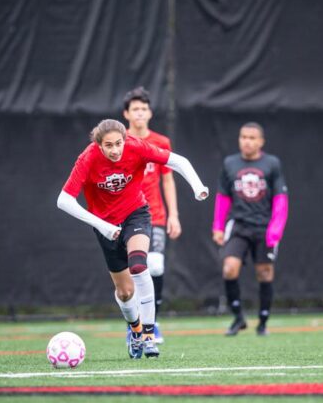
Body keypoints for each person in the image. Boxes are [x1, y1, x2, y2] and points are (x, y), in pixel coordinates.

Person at [57, 119, 209, 359]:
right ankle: (136, 330)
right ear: (98, 145)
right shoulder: (87, 158)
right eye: (109, 145)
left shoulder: (136, 146)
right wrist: (102, 225)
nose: (115, 150)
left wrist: (197, 186)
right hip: (104, 225)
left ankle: (149, 335)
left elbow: (179, 161)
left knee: (139, 266)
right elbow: (63, 200)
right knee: (125, 292)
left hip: (135, 214)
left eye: (118, 143)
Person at [212, 122, 289, 336]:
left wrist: (276, 229)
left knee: (264, 272)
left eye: (252, 138)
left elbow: (281, 199)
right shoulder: (230, 163)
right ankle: (238, 318)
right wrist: (218, 226)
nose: (247, 141)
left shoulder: (272, 164)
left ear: (261, 142)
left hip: (264, 227)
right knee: (229, 268)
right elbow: (222, 197)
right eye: (243, 137)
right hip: (238, 225)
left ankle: (263, 322)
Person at [123, 87, 180, 344]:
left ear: (150, 113)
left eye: (144, 108)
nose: (140, 113)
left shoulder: (161, 142)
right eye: (135, 108)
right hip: (123, 215)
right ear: (126, 113)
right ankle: (133, 325)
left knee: (154, 266)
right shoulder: (117, 141)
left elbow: (167, 181)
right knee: (131, 272)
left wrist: (173, 215)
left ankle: (151, 323)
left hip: (154, 215)